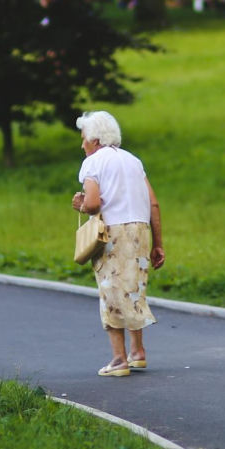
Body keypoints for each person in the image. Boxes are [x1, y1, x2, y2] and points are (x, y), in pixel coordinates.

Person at [71, 110, 165, 378]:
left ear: (95, 139)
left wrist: (80, 204)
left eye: (83, 139)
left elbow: (92, 203)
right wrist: (158, 244)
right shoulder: (134, 161)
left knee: (111, 292)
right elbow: (154, 204)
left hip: (113, 233)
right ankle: (138, 353)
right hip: (139, 231)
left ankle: (118, 360)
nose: (82, 145)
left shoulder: (93, 163)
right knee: (133, 289)